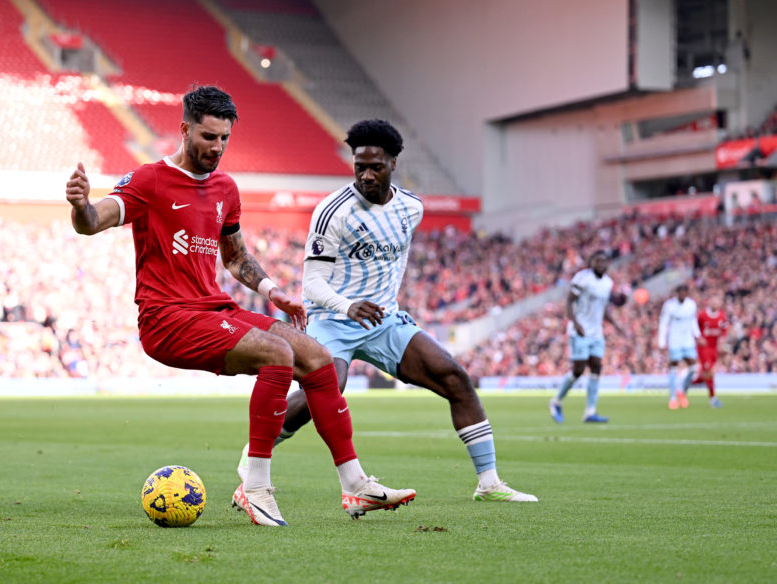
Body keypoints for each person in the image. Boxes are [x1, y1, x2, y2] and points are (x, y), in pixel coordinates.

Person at [65, 86, 415, 526]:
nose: (217, 147)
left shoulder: (226, 188)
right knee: (278, 355)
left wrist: (271, 291)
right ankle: (255, 488)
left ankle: (356, 486)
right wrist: (80, 205)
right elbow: (93, 222)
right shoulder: (150, 180)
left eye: (225, 138)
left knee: (318, 358)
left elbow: (234, 255)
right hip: (167, 319)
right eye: (209, 137)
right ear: (185, 129)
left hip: (213, 309)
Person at [237, 119, 537, 503]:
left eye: (375, 166)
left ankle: (489, 483)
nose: (365, 174)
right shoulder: (333, 212)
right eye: (359, 165)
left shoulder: (411, 208)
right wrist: (348, 305)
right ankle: (255, 452)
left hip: (382, 321)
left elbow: (389, 261)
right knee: (330, 385)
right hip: (333, 317)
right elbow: (311, 284)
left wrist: (387, 306)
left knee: (455, 378)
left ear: (394, 163)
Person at [549, 251, 623, 424]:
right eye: (597, 261)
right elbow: (569, 301)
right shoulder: (582, 278)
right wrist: (575, 323)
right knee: (578, 370)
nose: (600, 264)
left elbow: (602, 308)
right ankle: (556, 401)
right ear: (591, 263)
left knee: (597, 367)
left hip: (596, 332)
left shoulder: (607, 283)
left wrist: (615, 324)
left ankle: (590, 411)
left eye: (603, 261)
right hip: (580, 330)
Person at [658, 284, 701, 410]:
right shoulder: (669, 305)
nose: (682, 295)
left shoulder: (691, 305)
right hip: (674, 341)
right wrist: (662, 342)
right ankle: (672, 398)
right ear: (677, 293)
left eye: (684, 293)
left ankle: (681, 390)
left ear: (687, 294)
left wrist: (698, 335)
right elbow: (663, 323)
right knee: (673, 367)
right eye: (680, 293)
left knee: (693, 367)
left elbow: (693, 321)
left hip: (688, 341)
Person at [693, 295, 728, 408]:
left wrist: (722, 339)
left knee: (707, 374)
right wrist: (698, 338)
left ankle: (688, 384)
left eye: (717, 302)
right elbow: (695, 328)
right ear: (709, 303)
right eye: (713, 302)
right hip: (704, 347)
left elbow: (724, 329)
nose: (715, 304)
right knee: (709, 371)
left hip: (714, 348)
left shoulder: (722, 316)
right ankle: (713, 399)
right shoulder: (702, 315)